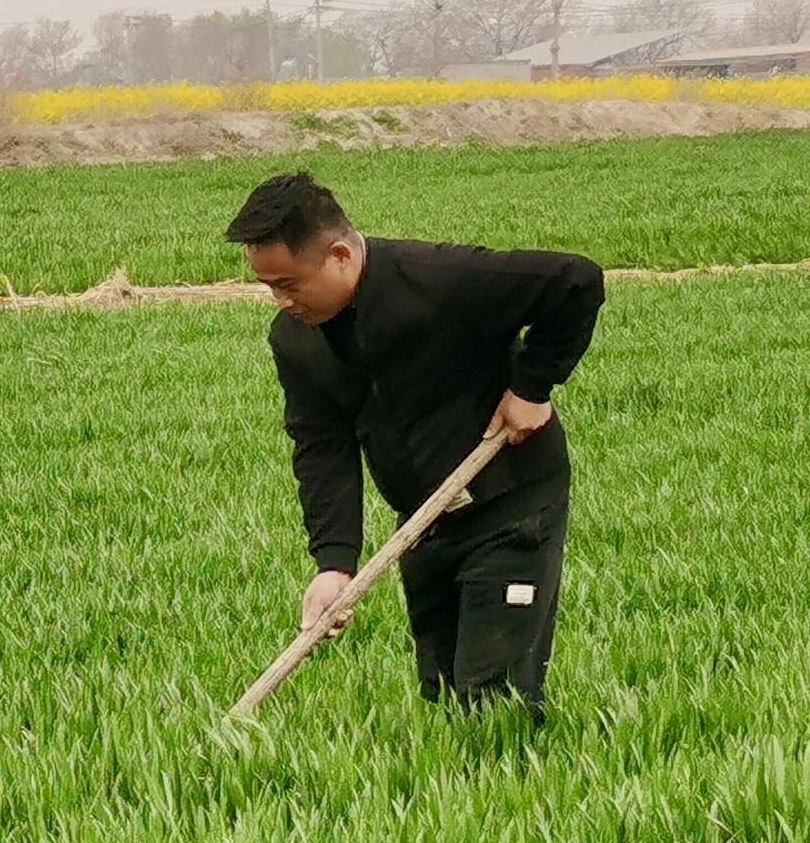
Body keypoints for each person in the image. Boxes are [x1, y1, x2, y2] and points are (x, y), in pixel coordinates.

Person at [227, 170, 604, 719]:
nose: (281, 301)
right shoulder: (296, 341)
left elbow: (576, 281)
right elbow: (322, 447)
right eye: (268, 288)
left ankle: (521, 792)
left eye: (288, 284)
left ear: (338, 255)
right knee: (445, 693)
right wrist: (334, 563)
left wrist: (532, 386)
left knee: (493, 698)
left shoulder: (440, 279)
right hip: (423, 522)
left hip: (511, 504)